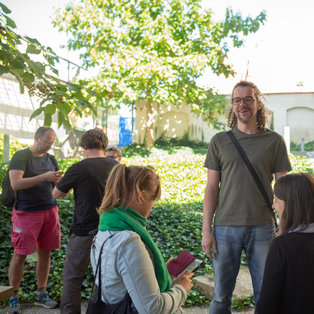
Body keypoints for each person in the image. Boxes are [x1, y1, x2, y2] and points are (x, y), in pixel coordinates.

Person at [201, 80, 292, 313]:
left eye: (248, 99)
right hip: (224, 228)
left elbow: (283, 188)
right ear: (232, 106)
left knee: (266, 294)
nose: (243, 104)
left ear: (258, 103)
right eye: (237, 100)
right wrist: (206, 230)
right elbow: (212, 188)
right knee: (221, 297)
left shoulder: (274, 141)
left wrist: (285, 225)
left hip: (263, 227)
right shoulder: (219, 141)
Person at [90, 164, 194, 313]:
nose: (153, 207)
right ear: (140, 195)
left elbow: (121, 283)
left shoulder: (105, 230)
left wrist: (160, 271)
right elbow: (152, 308)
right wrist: (181, 288)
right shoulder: (128, 241)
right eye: (153, 199)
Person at [52, 128, 118, 314]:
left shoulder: (78, 168)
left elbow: (57, 194)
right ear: (103, 145)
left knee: (73, 277)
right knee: (106, 276)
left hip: (83, 231)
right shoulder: (118, 167)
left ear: (84, 145)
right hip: (112, 230)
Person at [8, 126, 62, 314]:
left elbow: (57, 189)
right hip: (26, 212)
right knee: (20, 254)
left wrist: (61, 182)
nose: (49, 145)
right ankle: (13, 296)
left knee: (45, 253)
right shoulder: (21, 156)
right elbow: (16, 183)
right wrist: (44, 177)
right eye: (47, 141)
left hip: (50, 209)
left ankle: (41, 293)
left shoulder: (51, 159)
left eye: (52, 142)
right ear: (36, 137)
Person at [256, 173, 314, 314]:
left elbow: (267, 304)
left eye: (276, 200)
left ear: (290, 204)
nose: (273, 206)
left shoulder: (282, 246)